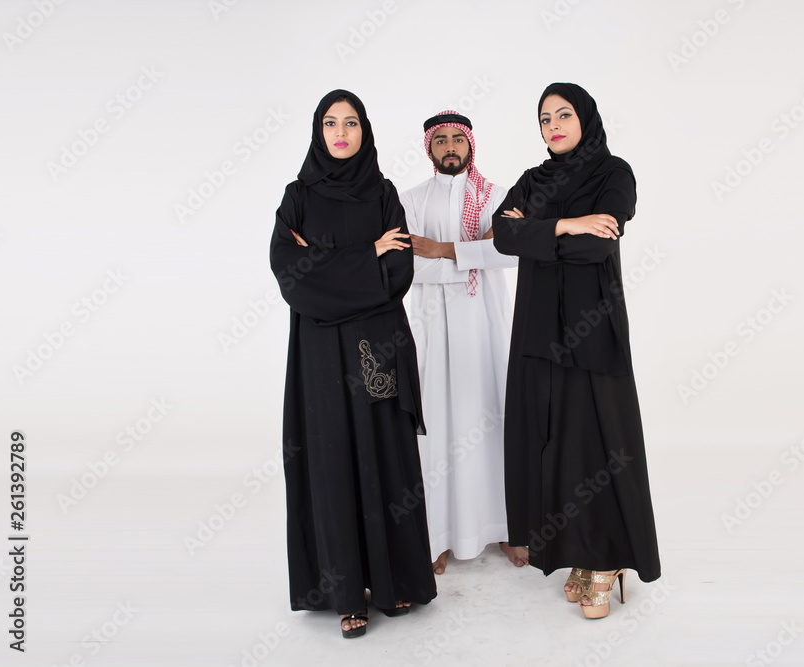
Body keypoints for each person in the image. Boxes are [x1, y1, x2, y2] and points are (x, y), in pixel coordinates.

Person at [270, 89, 436, 638]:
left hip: (375, 349)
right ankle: (347, 596)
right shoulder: (298, 196)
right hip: (319, 358)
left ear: (365, 131)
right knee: (333, 463)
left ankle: (395, 584)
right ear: (318, 133)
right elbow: (291, 276)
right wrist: (366, 257)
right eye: (330, 123)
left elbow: (400, 275)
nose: (341, 132)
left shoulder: (384, 193)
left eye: (351, 123)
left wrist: (331, 272)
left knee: (384, 456)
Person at [492, 82, 661, 619]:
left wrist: (538, 233)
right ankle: (575, 555)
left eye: (563, 114)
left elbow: (598, 243)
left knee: (597, 442)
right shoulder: (532, 179)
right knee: (554, 441)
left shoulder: (614, 173)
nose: (553, 126)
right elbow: (500, 233)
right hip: (538, 330)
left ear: (585, 117)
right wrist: (567, 223)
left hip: (592, 329)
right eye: (544, 119)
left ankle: (605, 560)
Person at [399, 110, 526, 574]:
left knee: (495, 420)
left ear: (471, 144)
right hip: (433, 328)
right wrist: (475, 255)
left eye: (458, 139)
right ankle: (437, 535)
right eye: (441, 141)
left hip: (488, 327)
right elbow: (408, 266)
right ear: (429, 148)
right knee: (438, 425)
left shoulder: (497, 195)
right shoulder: (410, 198)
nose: (450, 147)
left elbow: (511, 252)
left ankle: (508, 528)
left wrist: (442, 250)